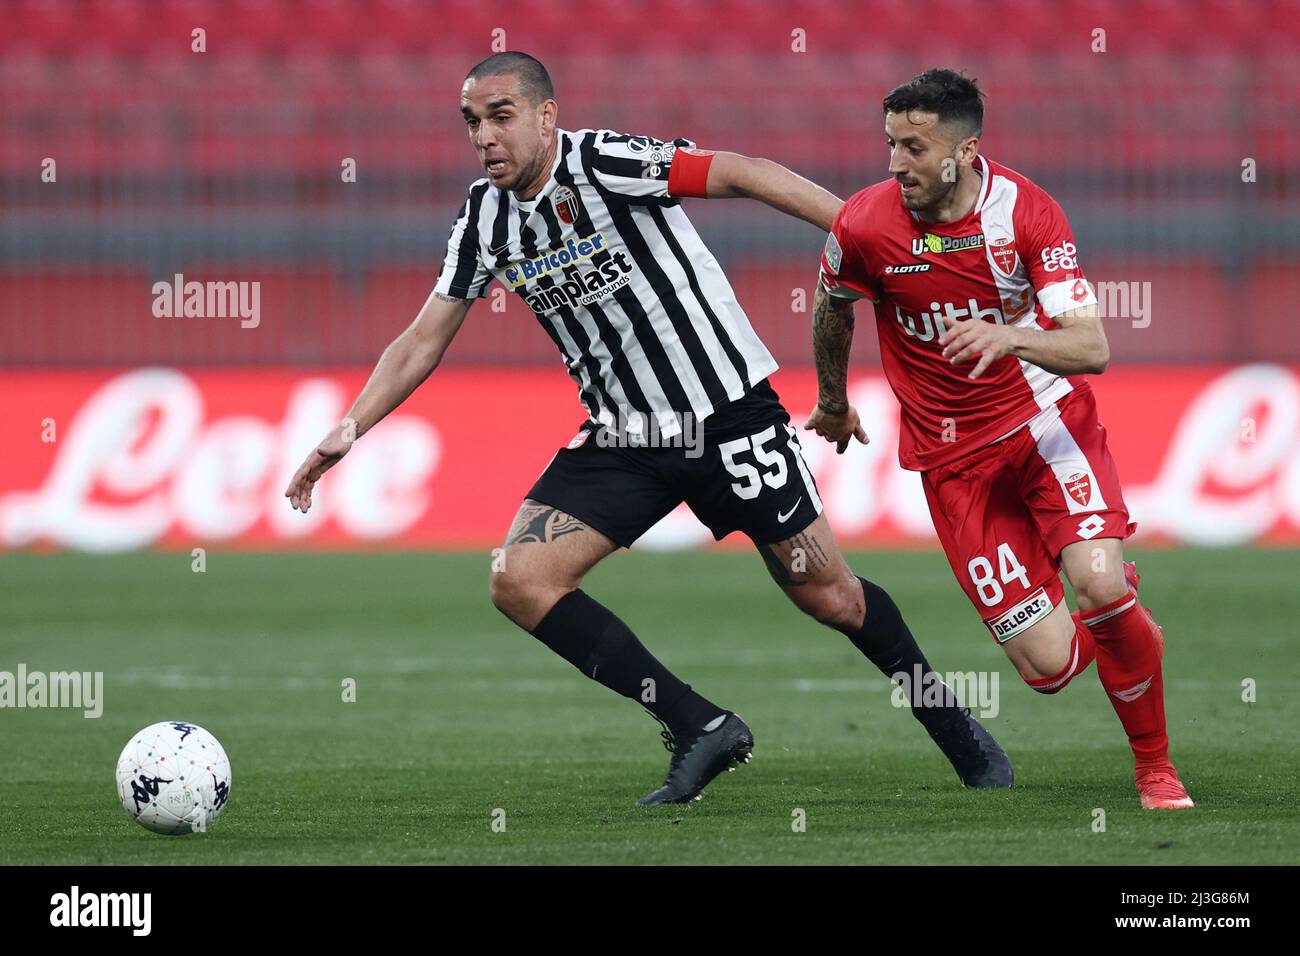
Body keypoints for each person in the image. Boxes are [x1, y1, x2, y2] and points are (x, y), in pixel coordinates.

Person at [285, 52, 1012, 806]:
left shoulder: (604, 160)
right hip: (625, 436)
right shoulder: (483, 217)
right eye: (472, 122)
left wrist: (869, 234)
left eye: (501, 116)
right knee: (520, 580)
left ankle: (958, 730)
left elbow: (743, 171)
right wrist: (350, 425)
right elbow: (424, 337)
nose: (485, 137)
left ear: (545, 116)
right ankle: (700, 725)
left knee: (830, 596)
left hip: (726, 414)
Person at [807, 68, 1191, 809]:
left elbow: (1092, 349)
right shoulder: (863, 223)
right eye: (889, 144)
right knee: (1048, 668)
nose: (895, 164)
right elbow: (832, 303)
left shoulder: (1028, 215)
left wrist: (1010, 336)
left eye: (913, 148)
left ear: (966, 149)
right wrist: (831, 399)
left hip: (1046, 430)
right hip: (954, 466)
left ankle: (1155, 768)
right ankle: (1125, 629)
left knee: (1100, 587)